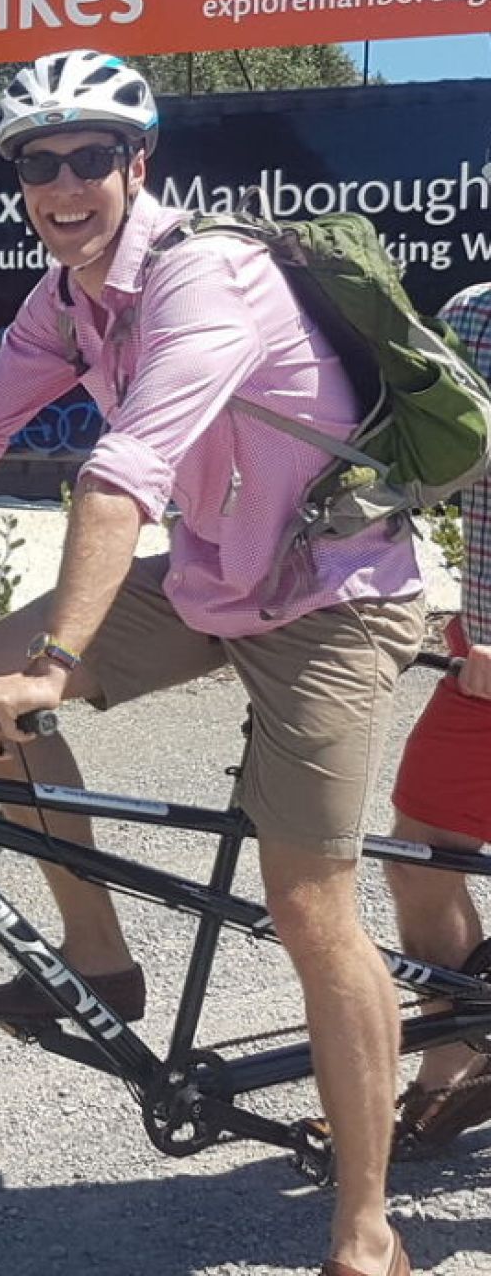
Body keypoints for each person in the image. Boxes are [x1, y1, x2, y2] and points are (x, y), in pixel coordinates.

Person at [0, 49, 424, 1276]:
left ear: (138, 163)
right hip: (217, 575)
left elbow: (121, 475)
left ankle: (365, 1224)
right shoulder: (69, 295)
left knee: (308, 902)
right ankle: (100, 954)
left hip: (333, 598)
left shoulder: (205, 279)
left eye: (87, 158)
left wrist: (60, 657)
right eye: (36, 164)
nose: (61, 184)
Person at [387, 278, 491, 1155]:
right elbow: (410, 463)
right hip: (483, 656)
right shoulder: (471, 317)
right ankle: (452, 1064)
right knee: (421, 854)